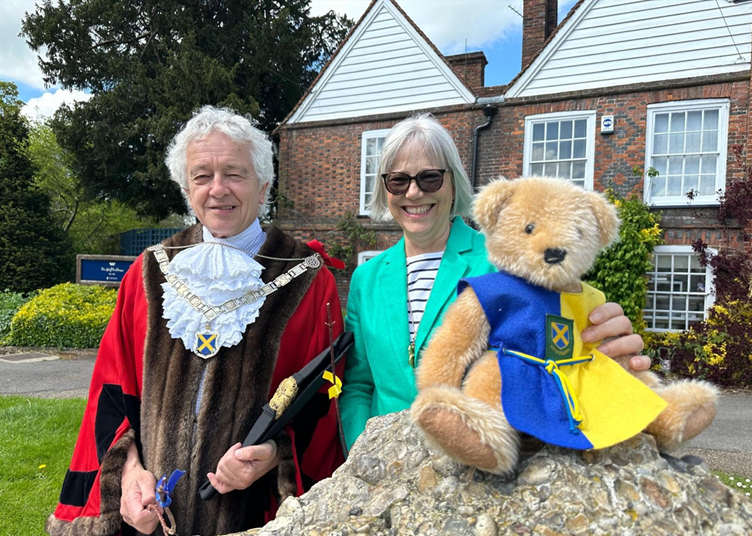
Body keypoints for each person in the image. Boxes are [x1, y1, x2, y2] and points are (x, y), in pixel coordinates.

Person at [47, 106, 345, 536]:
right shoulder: (148, 271)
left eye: (234, 173)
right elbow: (111, 391)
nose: (217, 189)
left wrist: (274, 456)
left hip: (257, 517)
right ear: (187, 189)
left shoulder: (310, 280)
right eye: (202, 176)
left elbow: (322, 404)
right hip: (152, 517)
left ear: (263, 187)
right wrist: (128, 473)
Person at [340, 113, 651, 450]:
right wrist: (362, 451)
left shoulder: (507, 261)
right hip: (385, 466)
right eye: (398, 180)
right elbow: (359, 385)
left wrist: (602, 341)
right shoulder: (366, 278)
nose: (413, 192)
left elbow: (557, 351)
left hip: (478, 462)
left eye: (429, 178)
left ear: (452, 181)